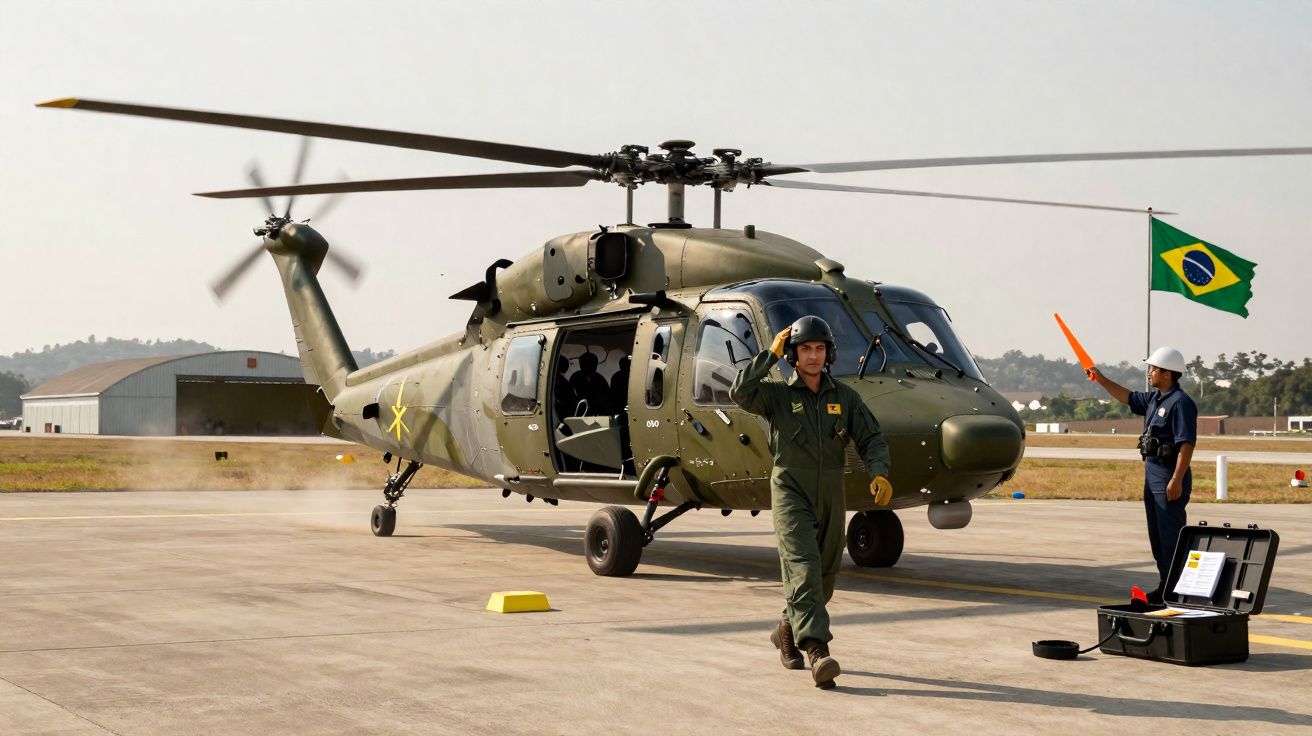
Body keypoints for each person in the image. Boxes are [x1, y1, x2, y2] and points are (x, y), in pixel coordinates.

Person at [730, 316, 892, 689]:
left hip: (831, 491)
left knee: (824, 577)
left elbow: (872, 438)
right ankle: (818, 650)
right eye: (806, 349)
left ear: (829, 352)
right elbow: (740, 391)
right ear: (793, 354)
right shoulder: (776, 396)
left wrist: (879, 471)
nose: (814, 355)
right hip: (790, 489)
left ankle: (786, 629)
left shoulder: (845, 398)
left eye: (820, 348)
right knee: (803, 566)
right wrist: (766, 356)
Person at [1088, 346, 1197, 604]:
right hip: (1153, 477)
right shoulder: (1155, 400)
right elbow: (1126, 396)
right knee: (1158, 539)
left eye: (1153, 369)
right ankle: (1165, 586)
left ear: (1168, 373)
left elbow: (1186, 444)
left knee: (1171, 538)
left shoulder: (1180, 403)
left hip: (1169, 478)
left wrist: (1177, 479)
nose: (1149, 372)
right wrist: (1101, 379)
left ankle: (1177, 591)